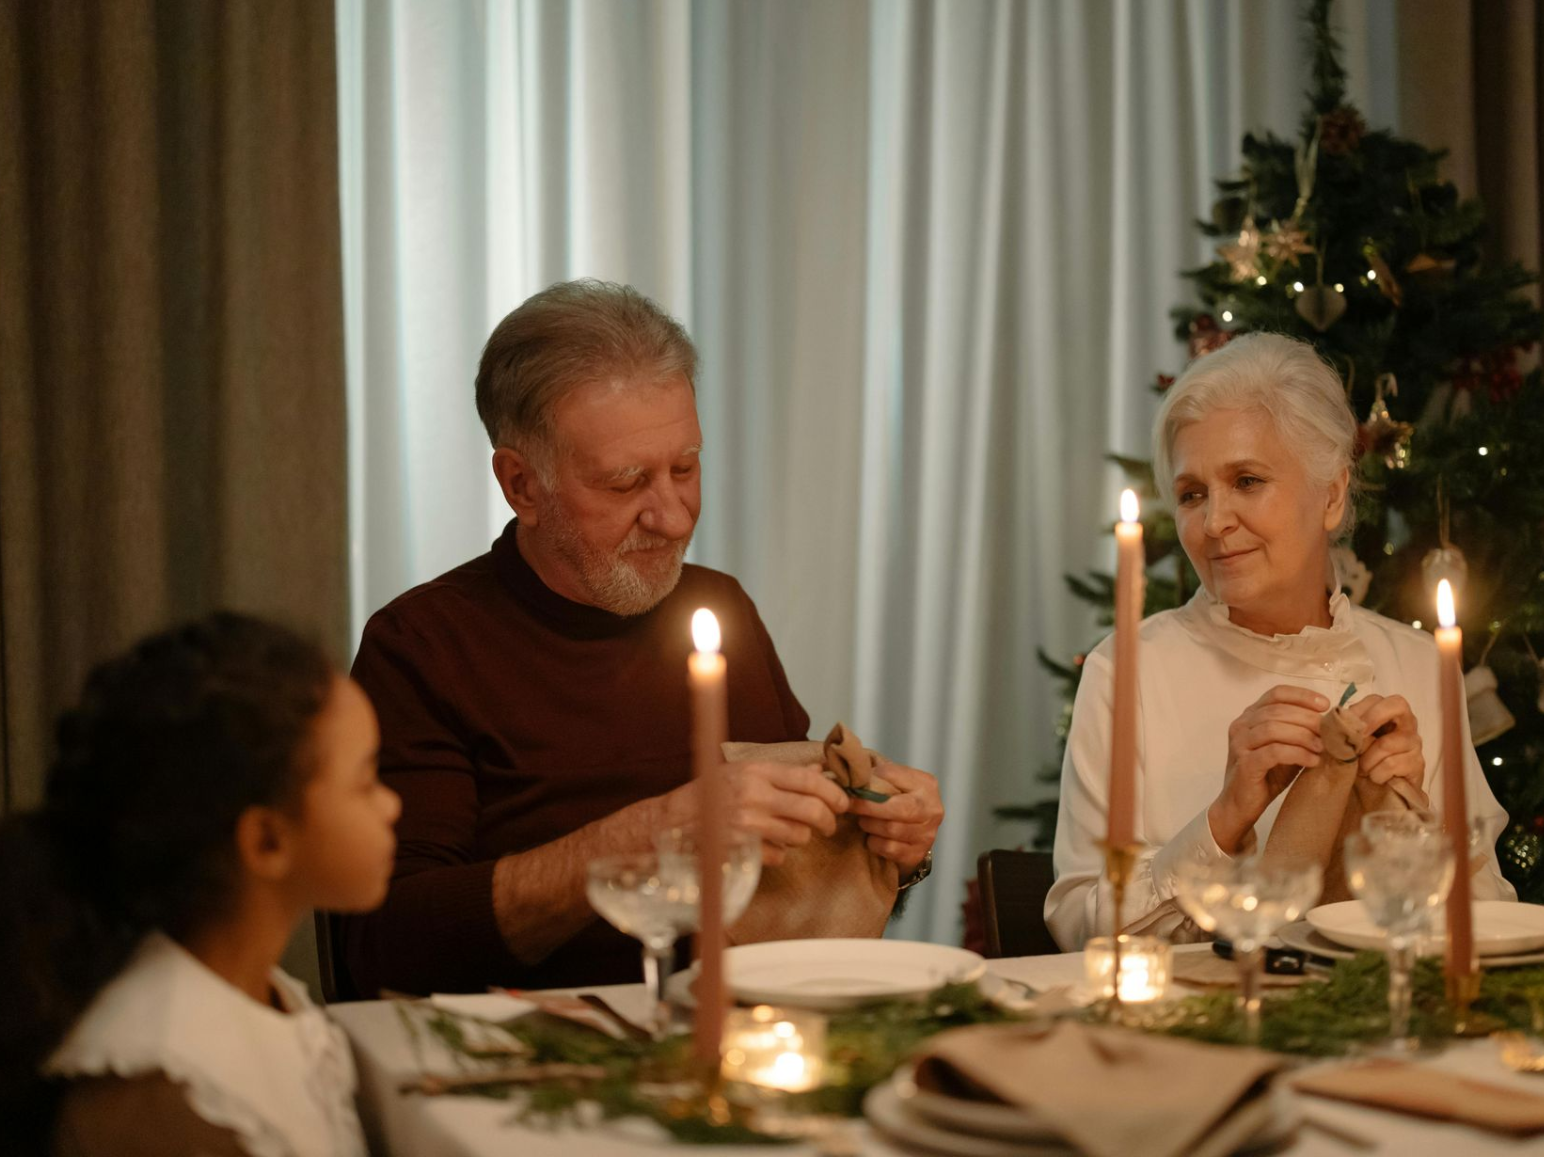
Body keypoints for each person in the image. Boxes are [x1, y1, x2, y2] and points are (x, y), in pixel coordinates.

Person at [333, 279, 944, 998]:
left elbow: (795, 891)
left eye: (685, 468)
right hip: (527, 1060)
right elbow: (383, 946)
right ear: (522, 485)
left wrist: (886, 843)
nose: (675, 516)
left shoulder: (721, 608)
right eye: (627, 484)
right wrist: (648, 834)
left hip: (738, 1037)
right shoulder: (424, 646)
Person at [1046, 333, 1514, 949]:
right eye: (1192, 495)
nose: (1214, 524)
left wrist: (1413, 822)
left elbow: (1489, 925)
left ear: (1332, 494)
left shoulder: (1421, 667)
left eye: (1247, 480)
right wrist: (1223, 821)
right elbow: (1078, 929)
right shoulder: (1127, 671)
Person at [0, 614, 398, 1156]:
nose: (392, 804)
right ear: (266, 842)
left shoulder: (268, 992)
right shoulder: (161, 1097)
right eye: (367, 781)